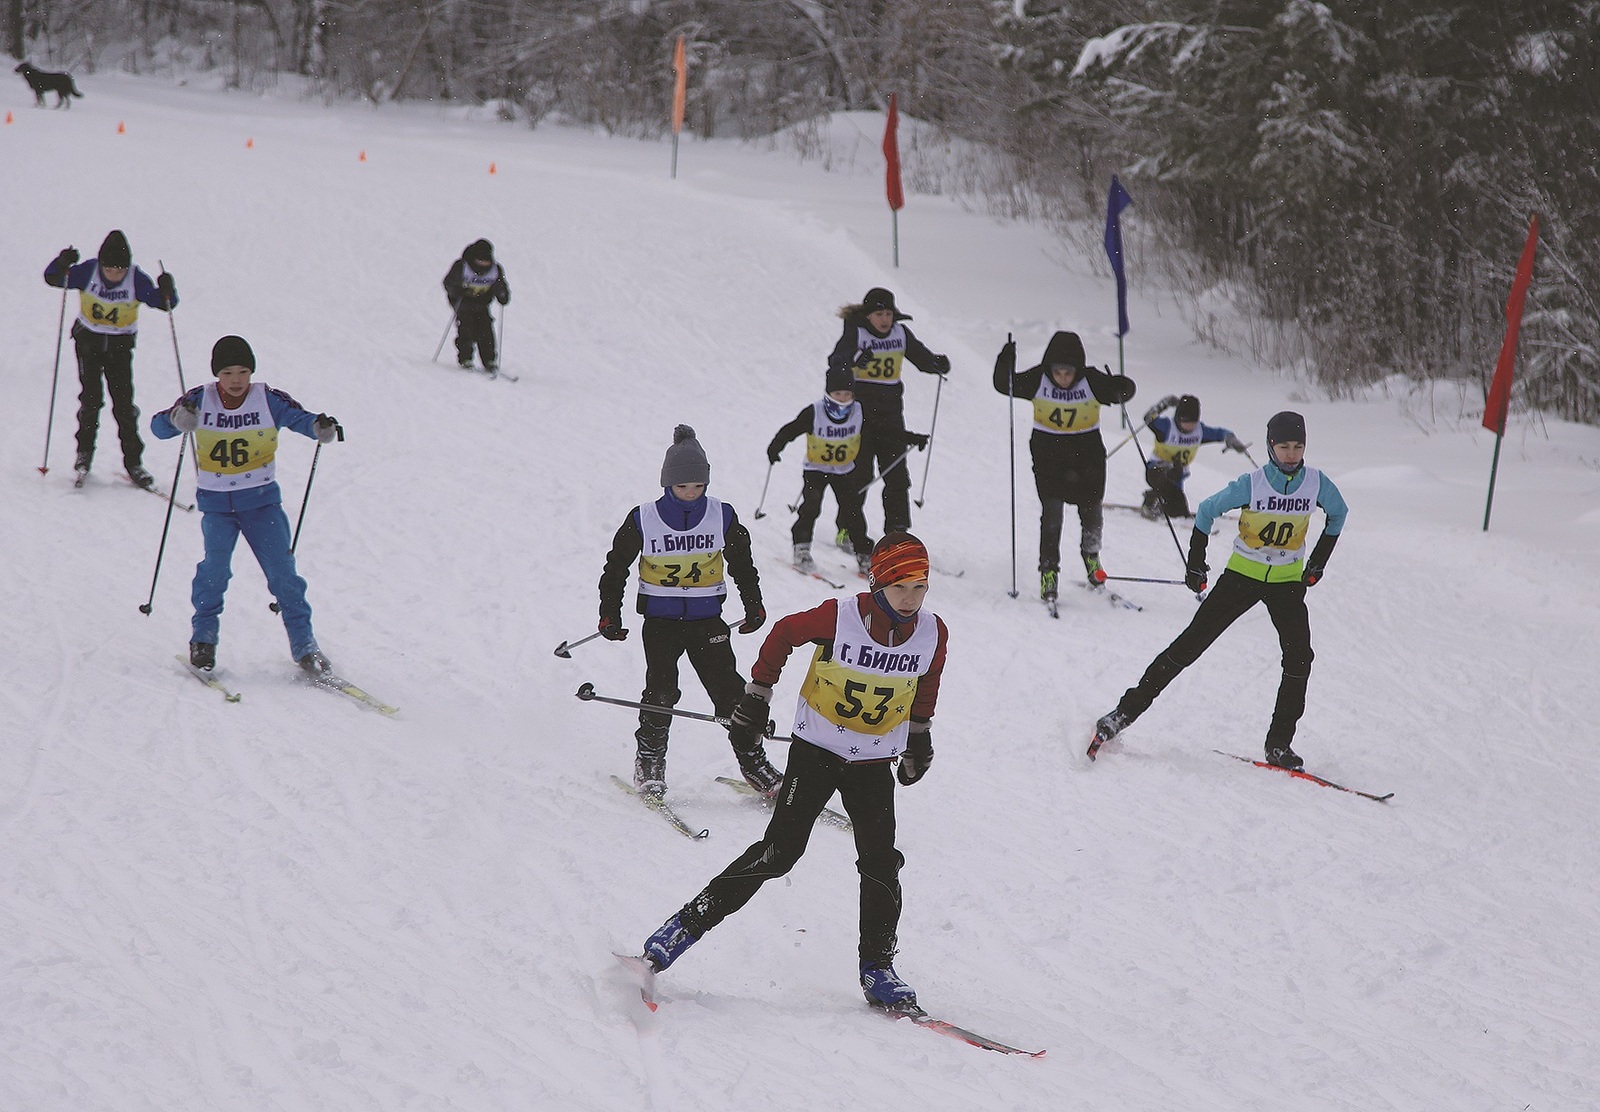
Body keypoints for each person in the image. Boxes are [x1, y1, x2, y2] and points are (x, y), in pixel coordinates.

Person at [637, 532, 950, 1012]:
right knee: (778, 853)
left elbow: (926, 681)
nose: (910, 598)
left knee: (881, 862)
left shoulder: (933, 631)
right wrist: (755, 698)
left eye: (920, 587)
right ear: (879, 584)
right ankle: (678, 931)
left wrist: (920, 734)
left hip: (871, 762)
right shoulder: (840, 616)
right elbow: (783, 633)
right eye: (900, 586)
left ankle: (879, 968)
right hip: (817, 752)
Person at [1088, 411, 1348, 770]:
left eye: (1298, 446)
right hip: (1242, 576)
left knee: (1300, 658)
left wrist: (1317, 561)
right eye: (1284, 446)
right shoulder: (1252, 483)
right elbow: (1207, 511)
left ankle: (1279, 744)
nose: (1291, 454)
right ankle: (1121, 714)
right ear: (1271, 446)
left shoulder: (1316, 484)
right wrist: (1196, 562)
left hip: (1287, 582)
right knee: (1188, 646)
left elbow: (1339, 514)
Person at [597, 424, 782, 798]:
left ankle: (753, 762)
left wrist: (754, 604)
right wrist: (609, 614)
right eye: (682, 487)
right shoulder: (643, 518)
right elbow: (615, 568)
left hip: (706, 622)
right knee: (661, 692)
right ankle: (649, 761)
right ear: (667, 484)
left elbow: (742, 565)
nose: (690, 494)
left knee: (732, 696)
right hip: (661, 623)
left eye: (698, 486)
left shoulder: (722, 515)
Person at [150, 336, 341, 674]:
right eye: (227, 372)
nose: (236, 380)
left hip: (261, 504)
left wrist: (320, 428)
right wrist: (176, 420)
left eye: (242, 371)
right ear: (216, 375)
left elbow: (303, 420)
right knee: (214, 571)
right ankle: (203, 639)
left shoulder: (267, 399)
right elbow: (158, 426)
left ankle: (305, 646)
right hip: (217, 506)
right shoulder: (199, 399)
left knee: (284, 576)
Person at [992, 330, 1136, 602]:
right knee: (1052, 516)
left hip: (1088, 459)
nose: (1062, 379)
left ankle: (1091, 558)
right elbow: (1004, 384)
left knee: (1092, 512)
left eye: (1068, 373)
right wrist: (1005, 359)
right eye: (1057, 372)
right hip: (1050, 461)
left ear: (1077, 370)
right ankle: (1049, 572)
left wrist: (1119, 387)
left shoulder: (1092, 380)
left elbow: (1126, 389)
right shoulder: (1038, 379)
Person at [43, 230, 178, 488]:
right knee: (91, 400)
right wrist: (62, 262)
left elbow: (165, 304)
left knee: (124, 406)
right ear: (101, 264)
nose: (114, 276)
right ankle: (84, 456)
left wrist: (167, 290)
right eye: (109, 269)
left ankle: (134, 463)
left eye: (120, 270)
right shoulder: (88, 272)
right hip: (88, 344)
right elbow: (53, 278)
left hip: (119, 348)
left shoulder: (136, 279)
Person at [824, 288, 945, 538]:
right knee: (860, 474)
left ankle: (897, 533)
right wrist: (855, 359)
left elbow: (921, 358)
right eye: (879, 313)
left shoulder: (900, 333)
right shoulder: (855, 332)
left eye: (889, 313)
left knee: (896, 474)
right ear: (868, 316)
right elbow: (836, 361)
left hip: (890, 414)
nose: (885, 319)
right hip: (860, 415)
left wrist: (937, 364)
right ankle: (848, 528)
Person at [766, 365, 873, 576]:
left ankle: (863, 553)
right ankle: (801, 548)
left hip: (844, 471)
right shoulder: (815, 412)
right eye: (837, 393)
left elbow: (881, 430)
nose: (842, 398)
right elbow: (791, 429)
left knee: (852, 510)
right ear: (829, 393)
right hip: (816, 469)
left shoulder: (859, 411)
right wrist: (775, 447)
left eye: (847, 394)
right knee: (811, 507)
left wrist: (908, 437)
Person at [1139, 393, 1250, 519]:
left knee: (1177, 511)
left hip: (1178, 474)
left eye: (1193, 422)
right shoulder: (1167, 427)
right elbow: (1148, 417)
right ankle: (1151, 502)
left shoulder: (1199, 432)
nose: (1190, 426)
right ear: (1178, 418)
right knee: (1167, 479)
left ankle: (1164, 505)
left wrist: (1231, 439)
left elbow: (1220, 433)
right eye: (1185, 422)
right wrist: (1164, 404)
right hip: (1157, 469)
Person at [442, 238, 509, 372]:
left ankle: (489, 360)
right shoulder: (462, 266)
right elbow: (449, 283)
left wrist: (502, 295)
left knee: (486, 329)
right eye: (480, 261)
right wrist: (457, 291)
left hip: (482, 302)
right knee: (467, 326)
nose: (483, 265)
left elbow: (500, 285)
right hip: (463, 302)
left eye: (486, 261)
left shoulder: (495, 269)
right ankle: (465, 358)